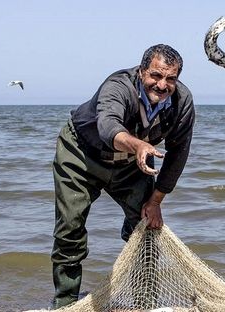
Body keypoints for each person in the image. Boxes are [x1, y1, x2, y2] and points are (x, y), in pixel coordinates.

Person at [50, 44, 195, 309]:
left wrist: (156, 201)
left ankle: (144, 301)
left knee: (147, 227)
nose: (162, 85)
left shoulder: (181, 102)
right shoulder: (117, 87)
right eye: (156, 76)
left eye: (171, 78)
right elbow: (107, 127)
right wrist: (138, 144)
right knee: (69, 228)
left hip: (131, 164)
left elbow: (178, 153)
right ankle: (65, 303)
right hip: (81, 153)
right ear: (141, 72)